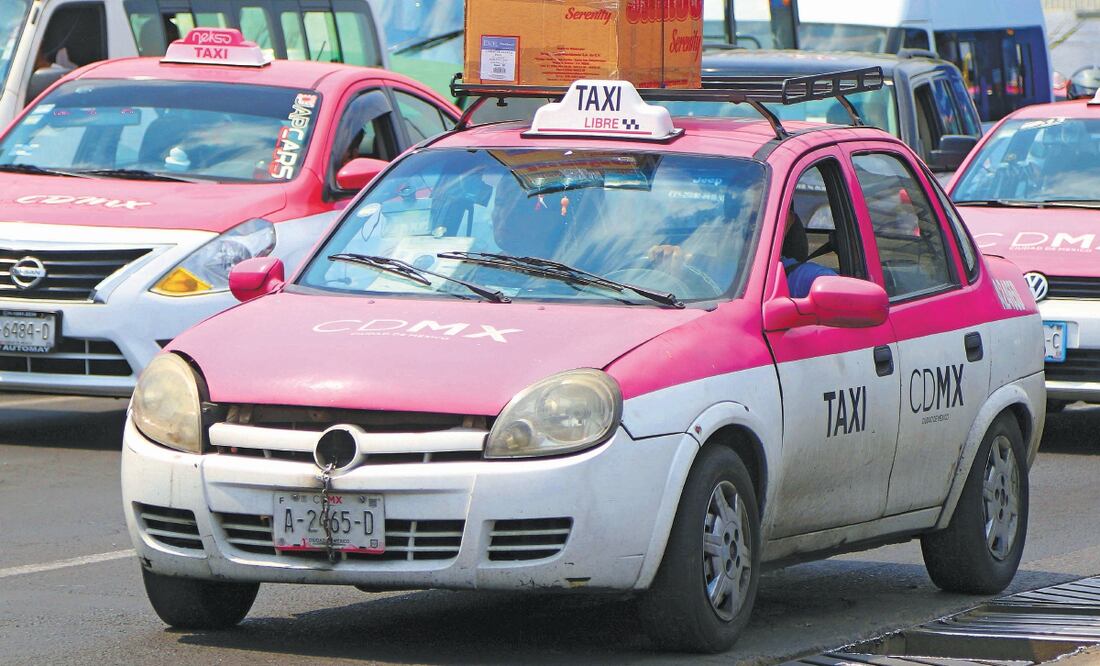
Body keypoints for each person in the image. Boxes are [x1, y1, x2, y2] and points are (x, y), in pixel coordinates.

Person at [781, 210, 836, 298]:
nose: (754, 228)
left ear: (786, 222)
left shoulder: (807, 277)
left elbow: (835, 287)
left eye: (754, 219)